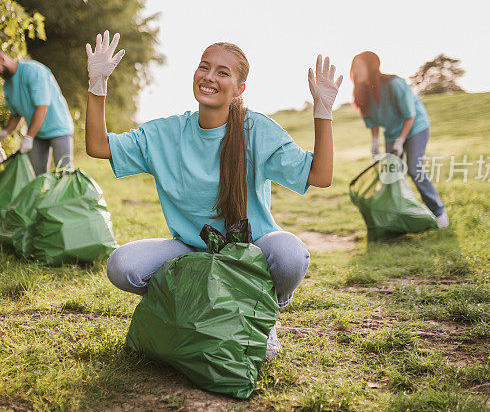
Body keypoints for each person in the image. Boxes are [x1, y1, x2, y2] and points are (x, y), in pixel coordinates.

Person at [84, 30, 343, 357]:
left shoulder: (256, 130)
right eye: (203, 67)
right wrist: (97, 86)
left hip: (251, 250)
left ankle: (263, 315)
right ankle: (192, 308)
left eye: (223, 72)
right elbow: (97, 146)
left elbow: (320, 176)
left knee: (291, 254)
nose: (209, 77)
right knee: (122, 264)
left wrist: (323, 111)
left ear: (239, 89)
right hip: (192, 251)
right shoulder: (167, 133)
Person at [350, 51, 449, 228]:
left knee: (414, 168)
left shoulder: (394, 84)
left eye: (360, 66)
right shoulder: (362, 93)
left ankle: (439, 212)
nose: (355, 71)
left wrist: (401, 140)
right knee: (391, 174)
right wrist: (374, 141)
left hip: (415, 127)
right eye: (354, 67)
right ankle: (397, 216)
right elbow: (372, 120)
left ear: (372, 67)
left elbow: (410, 115)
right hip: (392, 133)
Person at [0, 47, 74, 175]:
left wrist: (29, 137)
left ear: (2, 59)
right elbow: (16, 114)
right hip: (37, 134)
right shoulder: (7, 86)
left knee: (65, 174)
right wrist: (5, 132)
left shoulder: (33, 71)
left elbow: (42, 107)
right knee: (37, 177)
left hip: (58, 129)